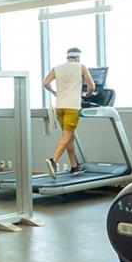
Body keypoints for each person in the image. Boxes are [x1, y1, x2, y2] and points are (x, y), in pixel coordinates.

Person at [42, 47, 94, 176]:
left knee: (69, 136)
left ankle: (74, 166)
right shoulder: (81, 67)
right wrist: (87, 94)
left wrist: (54, 92)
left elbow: (45, 82)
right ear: (78, 57)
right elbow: (91, 86)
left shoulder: (57, 68)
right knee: (67, 136)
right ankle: (53, 160)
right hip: (72, 107)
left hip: (60, 106)